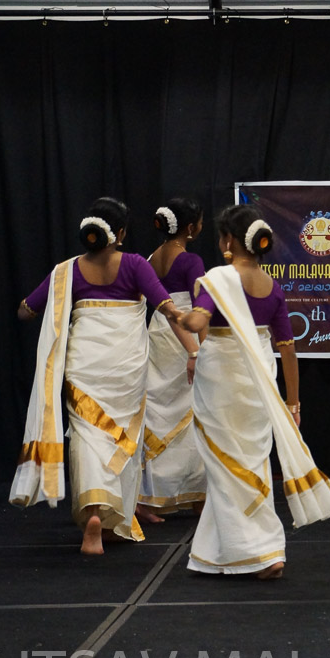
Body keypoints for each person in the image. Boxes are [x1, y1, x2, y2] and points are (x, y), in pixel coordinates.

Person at [10, 197, 198, 555]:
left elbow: (26, 311)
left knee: (87, 437)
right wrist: (193, 349)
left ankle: (94, 515)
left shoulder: (66, 271)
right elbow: (168, 310)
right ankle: (111, 518)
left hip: (85, 367)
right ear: (121, 233)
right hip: (126, 369)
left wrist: (30, 305)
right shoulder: (135, 264)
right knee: (122, 438)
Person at [180, 204, 330, 579]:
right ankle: (216, 552)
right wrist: (293, 402)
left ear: (229, 240)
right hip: (259, 383)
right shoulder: (272, 287)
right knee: (251, 462)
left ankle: (260, 552)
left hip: (220, 380)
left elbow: (198, 321)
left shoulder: (218, 279)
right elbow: (288, 349)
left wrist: (182, 316)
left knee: (224, 467)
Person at [136, 197, 208, 523]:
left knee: (159, 415)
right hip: (184, 335)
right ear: (191, 227)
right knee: (194, 414)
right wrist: (200, 350)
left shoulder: (151, 258)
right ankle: (197, 496)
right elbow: (200, 307)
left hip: (157, 334)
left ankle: (150, 497)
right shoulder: (191, 260)